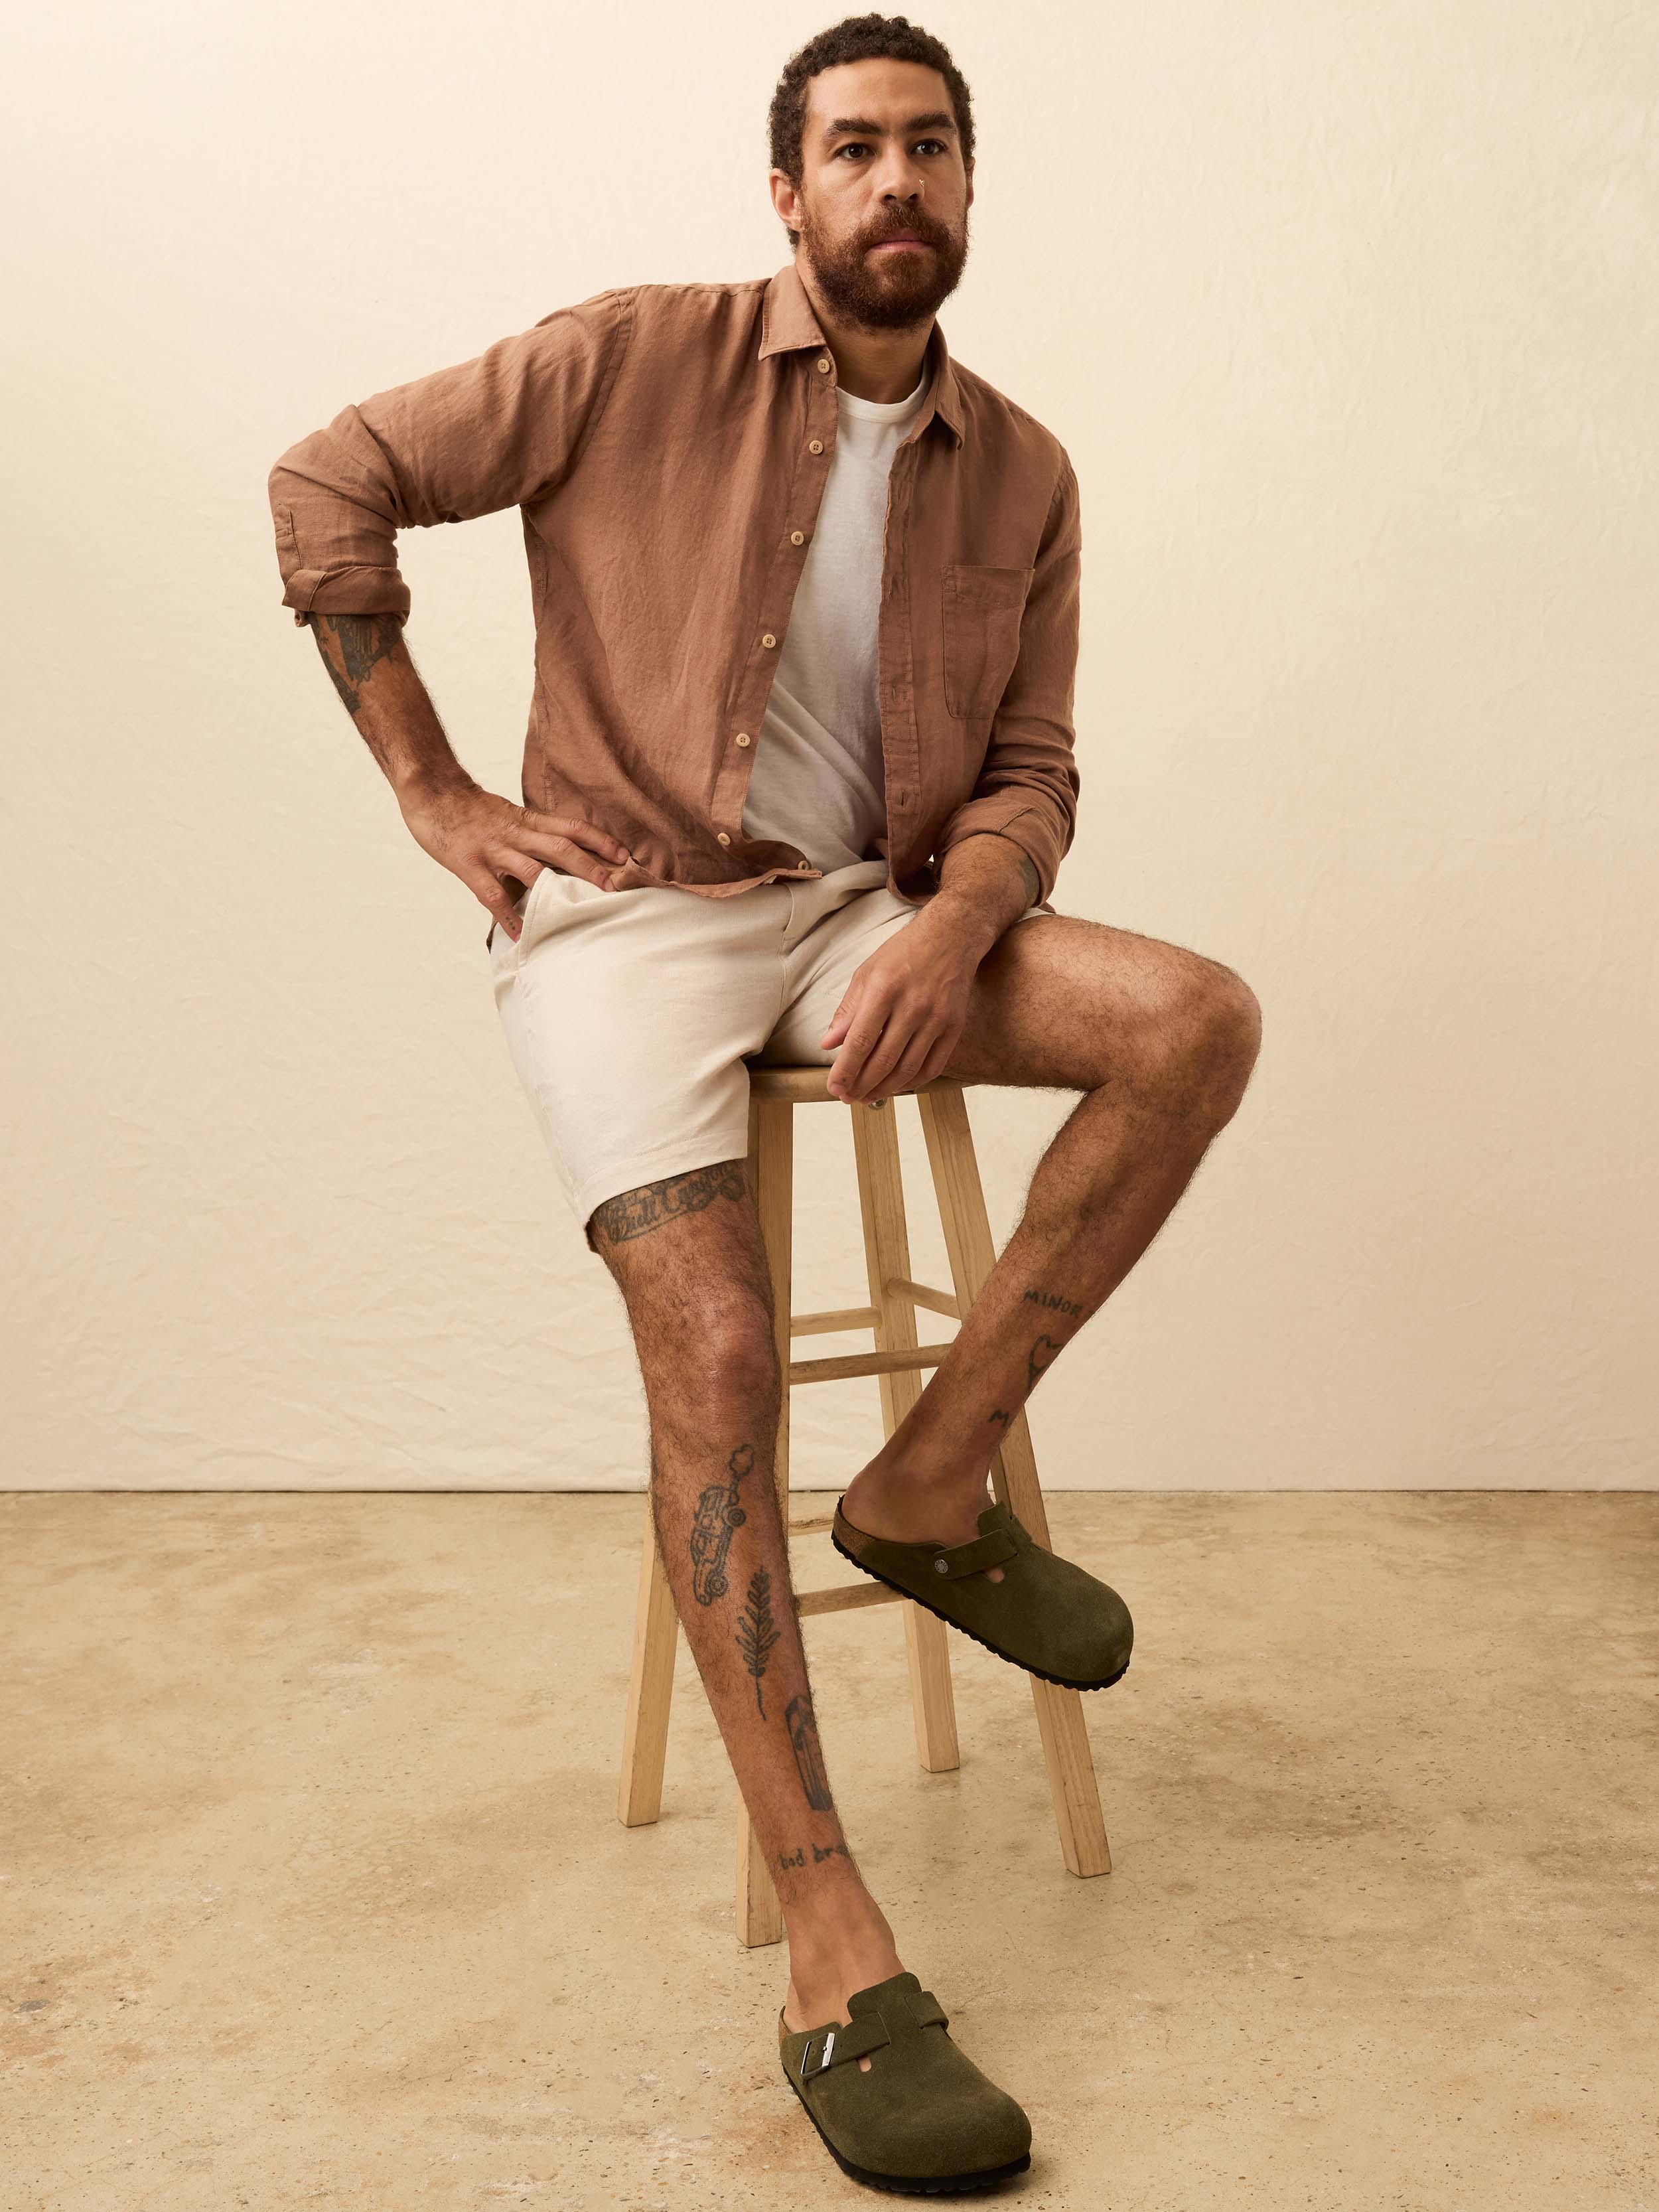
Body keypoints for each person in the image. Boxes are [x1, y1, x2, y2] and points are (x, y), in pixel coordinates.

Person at [267, 15, 1261, 2191]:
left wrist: (955, 915)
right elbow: (325, 479)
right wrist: (438, 793)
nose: (891, 184)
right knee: (715, 1347)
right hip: (622, 922)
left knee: (1195, 1019)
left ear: (971, 192)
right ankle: (828, 1927)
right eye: (850, 151)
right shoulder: (628, 358)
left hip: (867, 911)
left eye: (928, 150)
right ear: (785, 193)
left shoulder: (1025, 468)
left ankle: (923, 1484)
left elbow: (1034, 771)